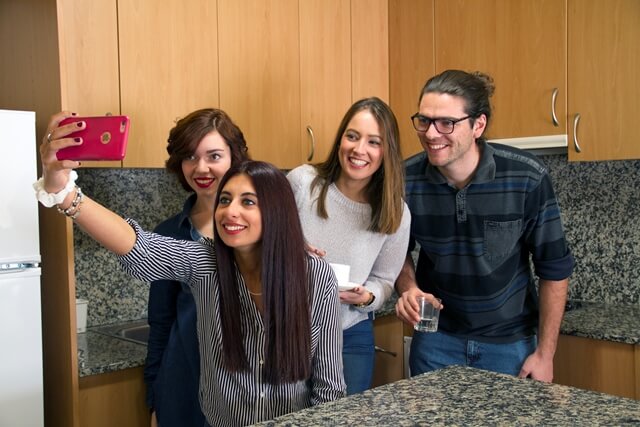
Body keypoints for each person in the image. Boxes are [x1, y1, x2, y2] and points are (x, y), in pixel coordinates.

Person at [35, 112, 346, 427]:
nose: (230, 211)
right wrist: (64, 193)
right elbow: (136, 245)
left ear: (276, 213)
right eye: (225, 200)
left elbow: (329, 384)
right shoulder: (204, 262)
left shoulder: (315, 275)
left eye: (248, 202)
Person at [395, 70, 575, 382]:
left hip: (510, 346)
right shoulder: (405, 180)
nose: (431, 133)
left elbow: (554, 268)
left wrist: (545, 355)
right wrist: (409, 289)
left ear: (478, 125)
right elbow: (396, 252)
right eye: (424, 120)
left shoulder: (526, 177)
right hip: (435, 342)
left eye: (446, 123)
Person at [287, 97, 411, 394]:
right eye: (352, 136)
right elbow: (261, 248)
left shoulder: (396, 212)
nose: (359, 150)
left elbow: (384, 280)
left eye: (374, 142)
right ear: (340, 138)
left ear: (387, 152)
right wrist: (291, 248)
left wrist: (367, 297)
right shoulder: (303, 183)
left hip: (350, 334)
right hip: (289, 332)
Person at [146, 108, 249, 427]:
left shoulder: (260, 226)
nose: (201, 168)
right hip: (184, 386)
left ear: (234, 158)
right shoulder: (169, 234)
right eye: (190, 157)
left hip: (248, 390)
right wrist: (155, 399)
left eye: (214, 156)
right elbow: (161, 323)